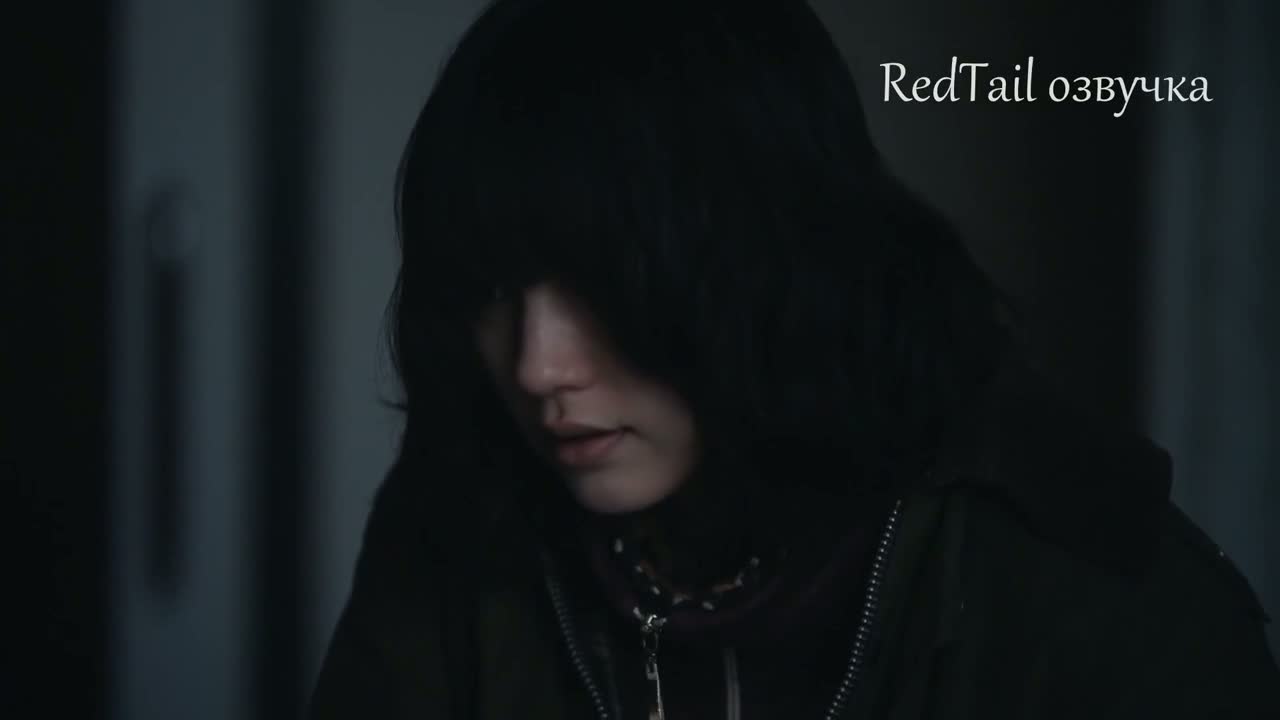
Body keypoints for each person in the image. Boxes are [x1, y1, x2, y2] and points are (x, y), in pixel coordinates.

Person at [308, 0, 1280, 718]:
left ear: (770, 253)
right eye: (492, 290)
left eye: (603, 284)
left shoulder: (1084, 586)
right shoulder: (463, 514)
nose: (536, 367)